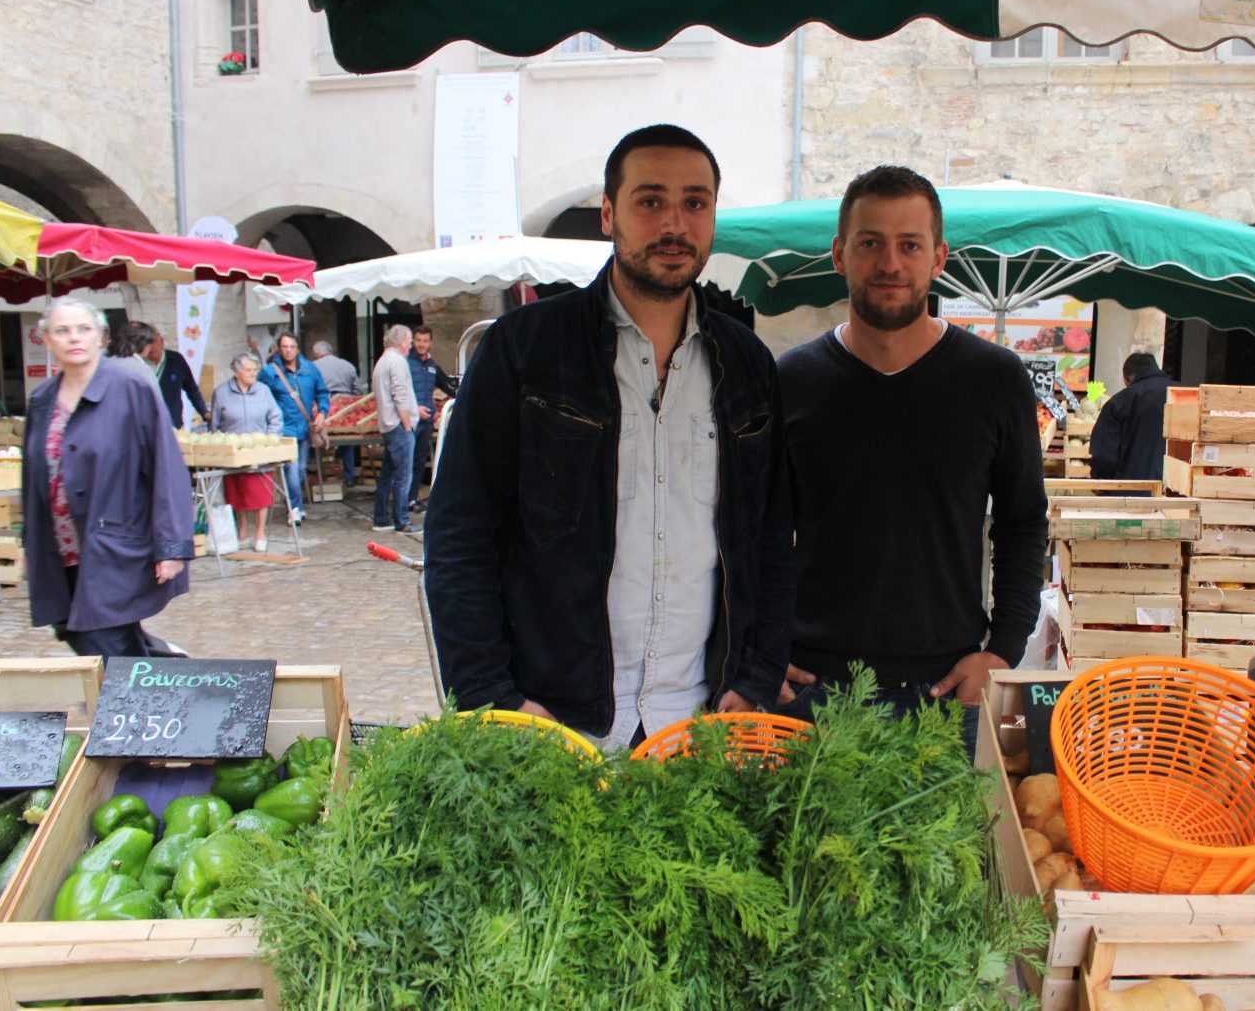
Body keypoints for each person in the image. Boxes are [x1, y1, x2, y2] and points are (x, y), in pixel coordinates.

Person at [424, 123, 793, 752]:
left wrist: (755, 676)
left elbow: (771, 538)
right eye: (650, 201)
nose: (674, 224)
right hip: (554, 718)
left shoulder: (749, 364)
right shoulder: (525, 349)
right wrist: (493, 697)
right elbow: (460, 531)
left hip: (699, 719)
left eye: (695, 203)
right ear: (608, 214)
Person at [774, 165, 1047, 755]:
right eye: (870, 243)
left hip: (947, 692)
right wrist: (758, 651)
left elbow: (1023, 522)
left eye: (909, 245)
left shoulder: (994, 379)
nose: (890, 263)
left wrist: (1003, 647)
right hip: (811, 691)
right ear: (840, 255)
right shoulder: (791, 381)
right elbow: (754, 535)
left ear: (938, 257)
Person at [21, 298, 194, 658]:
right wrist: (29, 542)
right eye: (62, 330)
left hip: (115, 543)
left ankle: (141, 697)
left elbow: (166, 467)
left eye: (83, 329)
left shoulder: (129, 387)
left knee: (103, 639)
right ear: (47, 340)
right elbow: (33, 479)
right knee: (71, 625)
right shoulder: (42, 400)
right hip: (61, 548)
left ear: (100, 337)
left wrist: (172, 545)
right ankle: (165, 665)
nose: (74, 338)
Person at [210, 352, 284, 551]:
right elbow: (215, 424)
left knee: (261, 493)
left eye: (255, 370)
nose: (253, 373)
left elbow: (276, 417)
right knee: (237, 492)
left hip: (259, 452)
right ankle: (242, 529)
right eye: (248, 370)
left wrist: (270, 438)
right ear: (237, 371)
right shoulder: (221, 392)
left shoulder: (264, 391)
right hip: (233, 452)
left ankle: (260, 532)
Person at [257, 332, 330, 525]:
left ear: (298, 349)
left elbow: (322, 392)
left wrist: (322, 412)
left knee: (301, 469)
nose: (288, 350)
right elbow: (259, 396)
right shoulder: (270, 372)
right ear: (279, 349)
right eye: (284, 347)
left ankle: (297, 506)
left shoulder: (309, 370)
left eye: (292, 347)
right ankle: (295, 509)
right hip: (283, 429)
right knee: (292, 468)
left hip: (304, 429)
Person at [1089, 352, 1176, 482]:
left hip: (1130, 493)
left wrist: (1103, 486)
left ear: (1127, 379)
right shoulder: (1185, 396)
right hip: (1178, 493)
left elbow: (1104, 457)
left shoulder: (1118, 402)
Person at [371, 324, 420, 534]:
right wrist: (407, 425)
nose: (411, 345)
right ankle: (402, 521)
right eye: (409, 341)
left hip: (388, 425)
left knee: (388, 475)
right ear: (402, 342)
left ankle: (381, 518)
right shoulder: (397, 361)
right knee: (403, 475)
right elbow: (400, 395)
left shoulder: (382, 361)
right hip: (398, 426)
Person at [404, 325, 456, 515]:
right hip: (408, 420)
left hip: (425, 423)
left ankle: (413, 499)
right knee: (405, 462)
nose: (421, 344)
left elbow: (449, 388)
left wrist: (440, 409)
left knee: (419, 461)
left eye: (425, 341)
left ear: (430, 343)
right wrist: (413, 408)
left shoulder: (432, 366)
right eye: (418, 341)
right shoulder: (406, 363)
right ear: (413, 342)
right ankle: (403, 500)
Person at [312, 341, 364, 488]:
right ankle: (349, 477)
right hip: (346, 406)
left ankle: (322, 477)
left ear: (318, 354)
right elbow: (358, 391)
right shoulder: (347, 365)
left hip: (324, 406)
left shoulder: (313, 367)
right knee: (347, 441)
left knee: (321, 441)